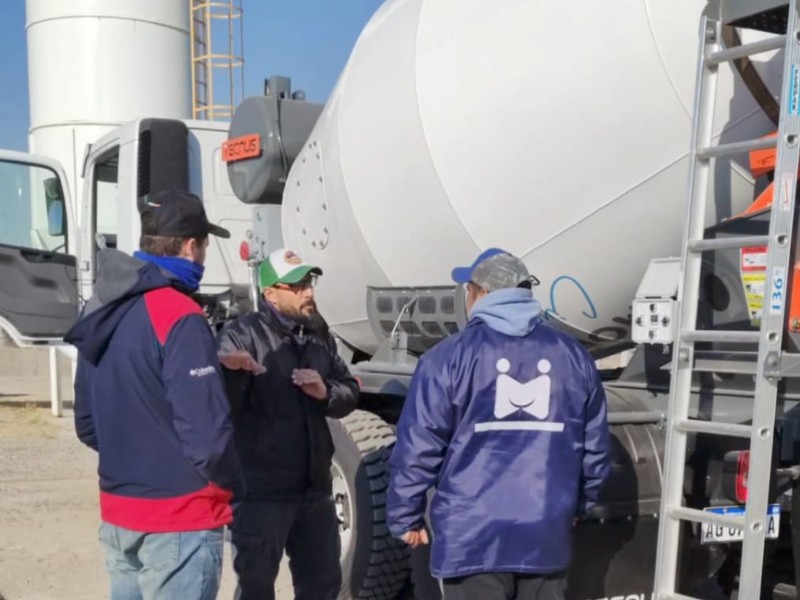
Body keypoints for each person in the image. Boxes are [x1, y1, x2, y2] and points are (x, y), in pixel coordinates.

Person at [387, 248, 611, 600]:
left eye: (467, 290)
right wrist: (580, 504)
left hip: (471, 538)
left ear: (481, 293)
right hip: (544, 530)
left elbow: (419, 446)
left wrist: (405, 516)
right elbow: (595, 447)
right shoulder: (574, 356)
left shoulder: (446, 358)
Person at [64, 189, 242, 600]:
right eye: (204, 249)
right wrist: (234, 485)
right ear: (190, 246)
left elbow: (88, 424)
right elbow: (209, 439)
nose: (203, 260)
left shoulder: (101, 309)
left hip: (119, 513)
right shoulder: (180, 314)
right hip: (179, 519)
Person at [217, 247, 359, 600]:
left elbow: (349, 391)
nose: (308, 292)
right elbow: (220, 406)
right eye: (296, 286)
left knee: (322, 589)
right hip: (262, 494)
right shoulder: (241, 335)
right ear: (271, 294)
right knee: (256, 590)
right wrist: (233, 375)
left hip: (316, 491)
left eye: (309, 283)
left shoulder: (318, 335)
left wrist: (326, 392)